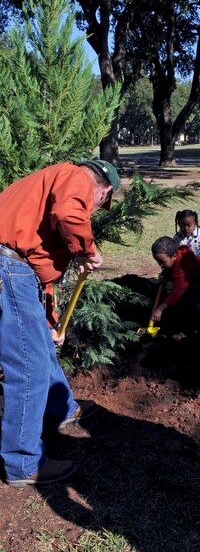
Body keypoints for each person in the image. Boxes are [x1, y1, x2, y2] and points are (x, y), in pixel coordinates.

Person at [0, 159, 121, 487]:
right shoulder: (75, 176)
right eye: (99, 204)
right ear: (103, 190)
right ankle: (22, 464)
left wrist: (50, 322)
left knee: (39, 347)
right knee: (29, 368)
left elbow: (40, 275)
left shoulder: (44, 185)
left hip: (16, 272)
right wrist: (88, 250)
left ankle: (62, 408)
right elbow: (69, 215)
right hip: (9, 269)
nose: (93, 210)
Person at [151, 236, 200, 336]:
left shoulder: (181, 265)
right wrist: (167, 275)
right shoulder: (173, 259)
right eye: (158, 261)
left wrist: (160, 308)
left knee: (189, 300)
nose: (160, 265)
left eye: (162, 262)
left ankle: (192, 328)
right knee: (181, 300)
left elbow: (177, 290)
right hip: (189, 276)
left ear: (174, 256)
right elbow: (173, 272)